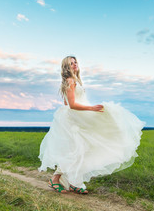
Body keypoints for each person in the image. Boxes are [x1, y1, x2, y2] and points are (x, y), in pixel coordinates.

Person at [38, 56, 145, 194]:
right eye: (71, 63)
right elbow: (71, 105)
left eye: (75, 62)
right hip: (74, 120)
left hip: (77, 117)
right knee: (75, 151)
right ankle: (55, 179)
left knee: (83, 149)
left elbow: (66, 103)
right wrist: (91, 109)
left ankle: (72, 182)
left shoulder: (74, 81)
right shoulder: (70, 81)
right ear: (66, 68)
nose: (74, 64)